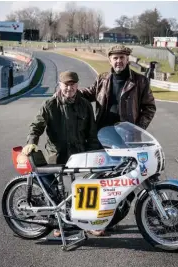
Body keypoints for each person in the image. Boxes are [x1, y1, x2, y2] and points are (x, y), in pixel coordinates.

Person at [54, 44, 157, 236]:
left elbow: (149, 107)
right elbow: (89, 93)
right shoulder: (103, 78)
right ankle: (95, 221)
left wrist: (136, 130)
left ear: (128, 59)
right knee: (101, 181)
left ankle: (110, 218)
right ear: (109, 60)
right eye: (115, 58)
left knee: (126, 181)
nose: (118, 61)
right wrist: (68, 91)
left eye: (122, 57)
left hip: (126, 141)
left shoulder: (140, 81)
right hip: (102, 137)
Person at [22, 71, 101, 237]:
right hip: (56, 155)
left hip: (79, 154)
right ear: (60, 85)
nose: (69, 88)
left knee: (86, 188)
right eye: (66, 84)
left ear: (77, 85)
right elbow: (36, 126)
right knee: (56, 192)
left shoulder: (85, 105)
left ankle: (87, 223)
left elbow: (92, 133)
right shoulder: (50, 104)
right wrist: (31, 143)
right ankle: (59, 223)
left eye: (73, 85)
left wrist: (96, 155)